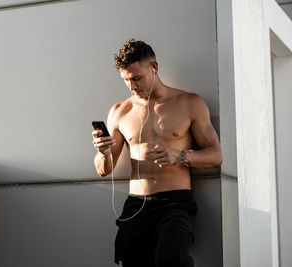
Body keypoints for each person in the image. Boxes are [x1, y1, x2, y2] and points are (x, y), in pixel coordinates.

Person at [91, 39, 222, 267]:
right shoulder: (120, 111)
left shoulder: (189, 102)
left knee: (171, 259)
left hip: (174, 203)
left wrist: (182, 156)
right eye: (126, 80)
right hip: (135, 205)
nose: (132, 86)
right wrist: (103, 153)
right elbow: (105, 169)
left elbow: (216, 155)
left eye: (137, 78)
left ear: (154, 67)